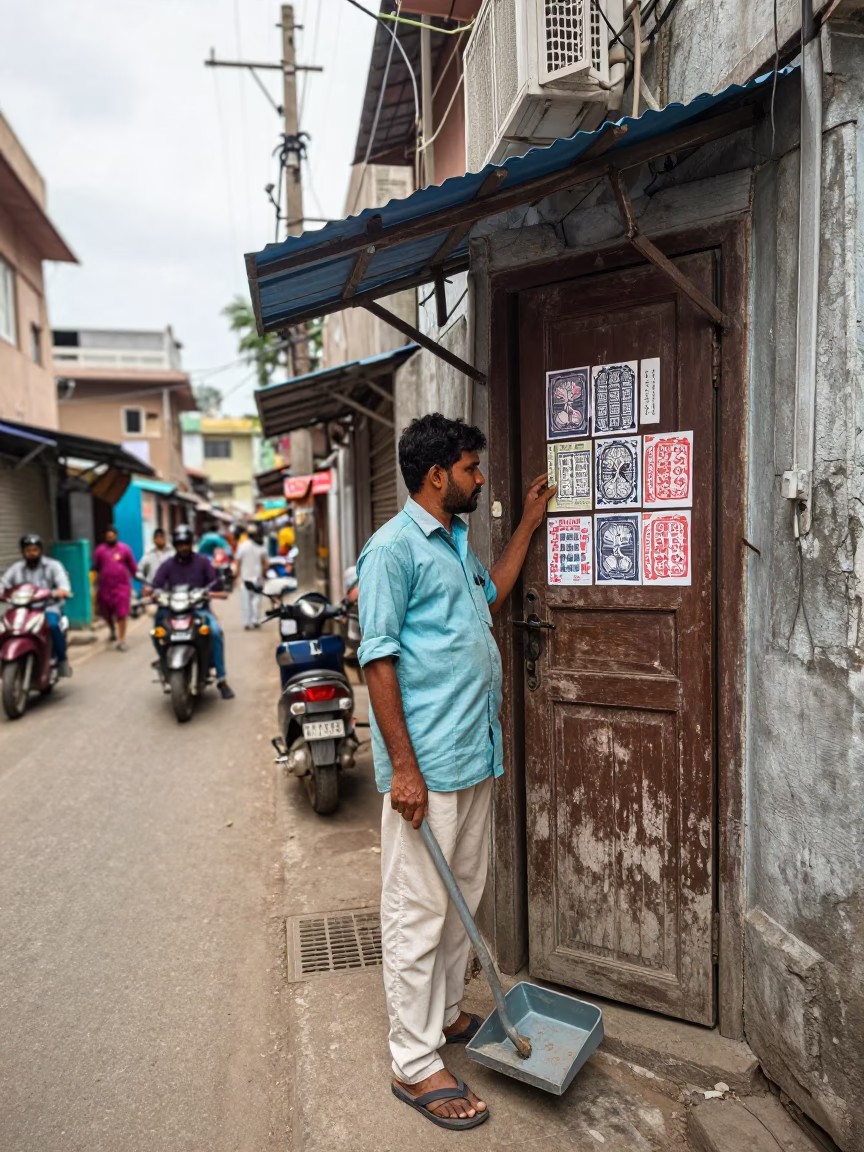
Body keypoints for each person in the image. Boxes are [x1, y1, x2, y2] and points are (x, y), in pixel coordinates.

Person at [357, 413, 554, 1130]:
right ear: (439, 475)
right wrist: (403, 770)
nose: (478, 479)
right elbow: (377, 660)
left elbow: (492, 598)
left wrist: (528, 524)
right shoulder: (393, 550)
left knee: (461, 903)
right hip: (428, 771)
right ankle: (412, 1064)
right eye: (471, 470)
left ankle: (439, 1019)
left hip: (475, 756)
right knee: (417, 912)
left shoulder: (456, 545)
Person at [152, 525, 235, 700]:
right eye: (180, 544)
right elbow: (156, 585)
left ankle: (222, 679)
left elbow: (216, 584)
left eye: (186, 543)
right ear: (175, 545)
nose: (183, 547)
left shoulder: (203, 562)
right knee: (157, 632)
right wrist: (151, 592)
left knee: (215, 632)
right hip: (173, 611)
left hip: (199, 610)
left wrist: (213, 591)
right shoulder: (168, 565)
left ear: (191, 544)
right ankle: (165, 665)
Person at [0, 534, 73, 677]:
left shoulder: (53, 565)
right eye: (28, 550)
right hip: (21, 609)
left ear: (40, 550)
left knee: (52, 626)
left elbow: (63, 583)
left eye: (34, 550)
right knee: (4, 628)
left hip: (47, 607)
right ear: (23, 551)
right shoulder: (16, 568)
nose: (31, 553)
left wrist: (62, 591)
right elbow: (3, 582)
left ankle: (62, 661)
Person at [92, 526, 137, 651]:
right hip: (105, 588)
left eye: (112, 536)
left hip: (122, 587)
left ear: (116, 536)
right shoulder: (100, 551)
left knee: (122, 613)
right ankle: (112, 629)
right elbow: (95, 567)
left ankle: (121, 640)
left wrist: (138, 578)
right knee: (106, 613)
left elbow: (132, 567)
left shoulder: (125, 549)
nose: (110, 538)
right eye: (108, 536)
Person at [234, 528, 268, 629]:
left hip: (246, 578)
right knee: (256, 600)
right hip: (257, 578)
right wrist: (263, 575)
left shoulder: (242, 546)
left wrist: (235, 576)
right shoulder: (261, 546)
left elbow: (237, 562)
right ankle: (255, 620)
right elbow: (266, 564)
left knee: (246, 601)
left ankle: (247, 622)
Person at [136, 527, 173, 594]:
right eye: (157, 537)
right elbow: (138, 571)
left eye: (161, 537)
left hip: (170, 590)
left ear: (165, 538)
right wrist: (146, 582)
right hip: (153, 590)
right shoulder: (149, 555)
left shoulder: (172, 553)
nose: (159, 539)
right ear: (154, 539)